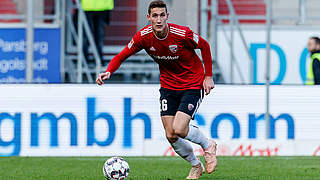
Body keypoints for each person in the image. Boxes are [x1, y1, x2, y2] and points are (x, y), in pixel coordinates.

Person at [96, 1, 217, 179]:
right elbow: (122, 55)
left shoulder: (182, 33)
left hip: (192, 83)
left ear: (167, 16)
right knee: (171, 135)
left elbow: (204, 46)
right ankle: (196, 165)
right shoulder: (143, 37)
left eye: (162, 15)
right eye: (155, 15)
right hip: (168, 85)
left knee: (179, 128)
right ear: (149, 18)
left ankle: (208, 145)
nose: (158, 19)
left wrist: (208, 76)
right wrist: (108, 71)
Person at [81, 0, 114, 65]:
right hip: (101, 5)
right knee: (97, 35)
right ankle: (97, 59)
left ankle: (85, 60)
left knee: (87, 35)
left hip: (88, 5)